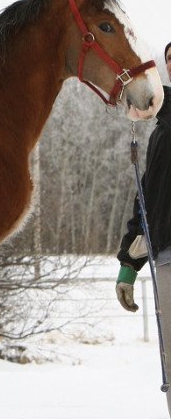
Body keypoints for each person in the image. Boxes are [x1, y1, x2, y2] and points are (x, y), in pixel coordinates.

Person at [116, 41, 171, 414]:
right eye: (170, 60)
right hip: (166, 258)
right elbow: (148, 198)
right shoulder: (161, 132)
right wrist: (128, 264)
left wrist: (154, 97)